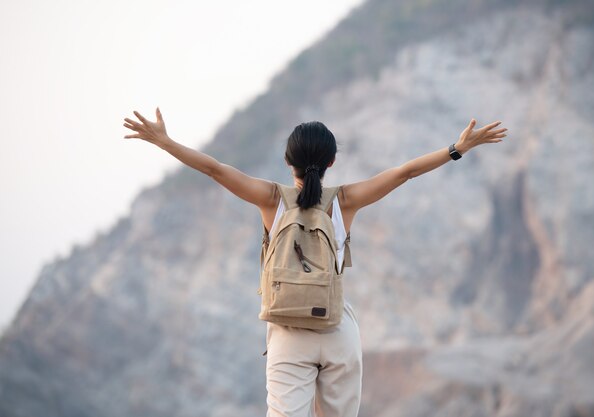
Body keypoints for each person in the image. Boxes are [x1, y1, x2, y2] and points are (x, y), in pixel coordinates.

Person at [123, 108, 508, 417]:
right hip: (337, 329)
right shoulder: (345, 201)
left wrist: (164, 142)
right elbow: (405, 172)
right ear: (332, 161)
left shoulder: (271, 199)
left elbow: (215, 169)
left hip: (289, 334)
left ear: (287, 160)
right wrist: (456, 149)